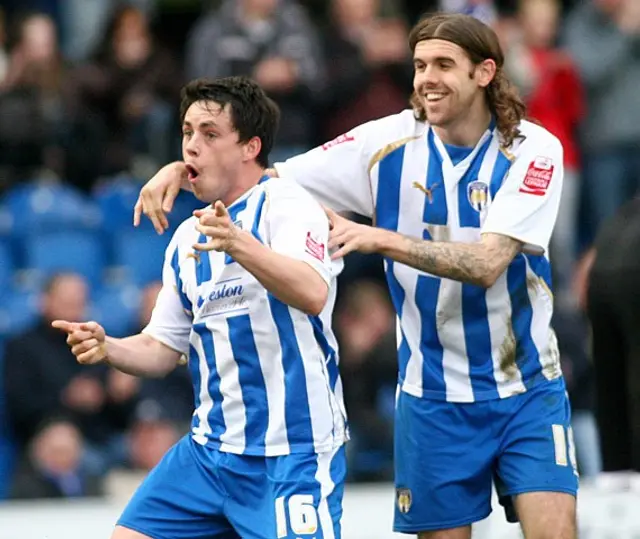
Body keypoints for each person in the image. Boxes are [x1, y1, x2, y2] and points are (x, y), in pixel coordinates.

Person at [134, 13, 578, 539]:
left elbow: (487, 264)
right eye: (418, 65)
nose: (427, 79)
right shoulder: (385, 142)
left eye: (443, 65)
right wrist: (178, 171)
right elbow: (264, 176)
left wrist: (378, 237)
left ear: (484, 72)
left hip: (525, 385)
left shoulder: (533, 150)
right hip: (430, 394)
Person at [53, 76, 347, 539]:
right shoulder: (187, 237)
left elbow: (312, 292)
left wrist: (240, 245)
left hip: (293, 451)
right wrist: (108, 346)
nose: (192, 147)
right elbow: (161, 349)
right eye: (187, 133)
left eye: (209, 135)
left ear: (251, 147)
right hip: (209, 453)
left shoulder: (287, 205)